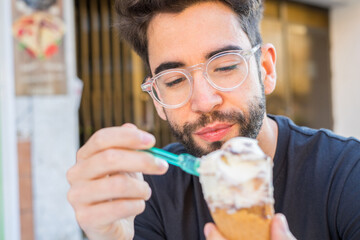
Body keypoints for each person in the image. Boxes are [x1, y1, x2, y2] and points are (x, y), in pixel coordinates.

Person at [66, 0, 360, 239]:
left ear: (266, 69)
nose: (204, 101)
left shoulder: (347, 173)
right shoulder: (147, 191)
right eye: (173, 81)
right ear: (157, 99)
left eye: (225, 66)